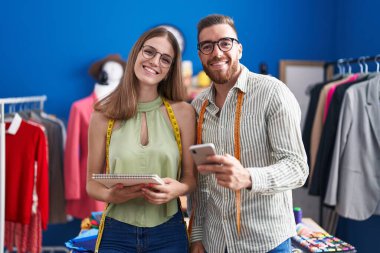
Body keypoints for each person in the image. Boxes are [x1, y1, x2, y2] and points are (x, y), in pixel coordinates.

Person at [189, 14, 309, 253]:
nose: (217, 52)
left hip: (266, 243)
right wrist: (198, 235)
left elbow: (298, 168)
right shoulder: (198, 106)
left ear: (239, 49)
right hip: (215, 243)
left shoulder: (273, 93)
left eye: (225, 42)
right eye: (207, 46)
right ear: (201, 54)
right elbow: (202, 181)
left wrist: (248, 177)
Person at [86, 27, 196, 253]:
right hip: (117, 233)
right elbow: (91, 183)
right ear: (136, 53)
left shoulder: (184, 113)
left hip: (169, 231)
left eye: (165, 59)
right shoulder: (102, 116)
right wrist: (110, 195)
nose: (155, 62)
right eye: (149, 52)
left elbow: (190, 179)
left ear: (170, 70)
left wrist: (177, 190)